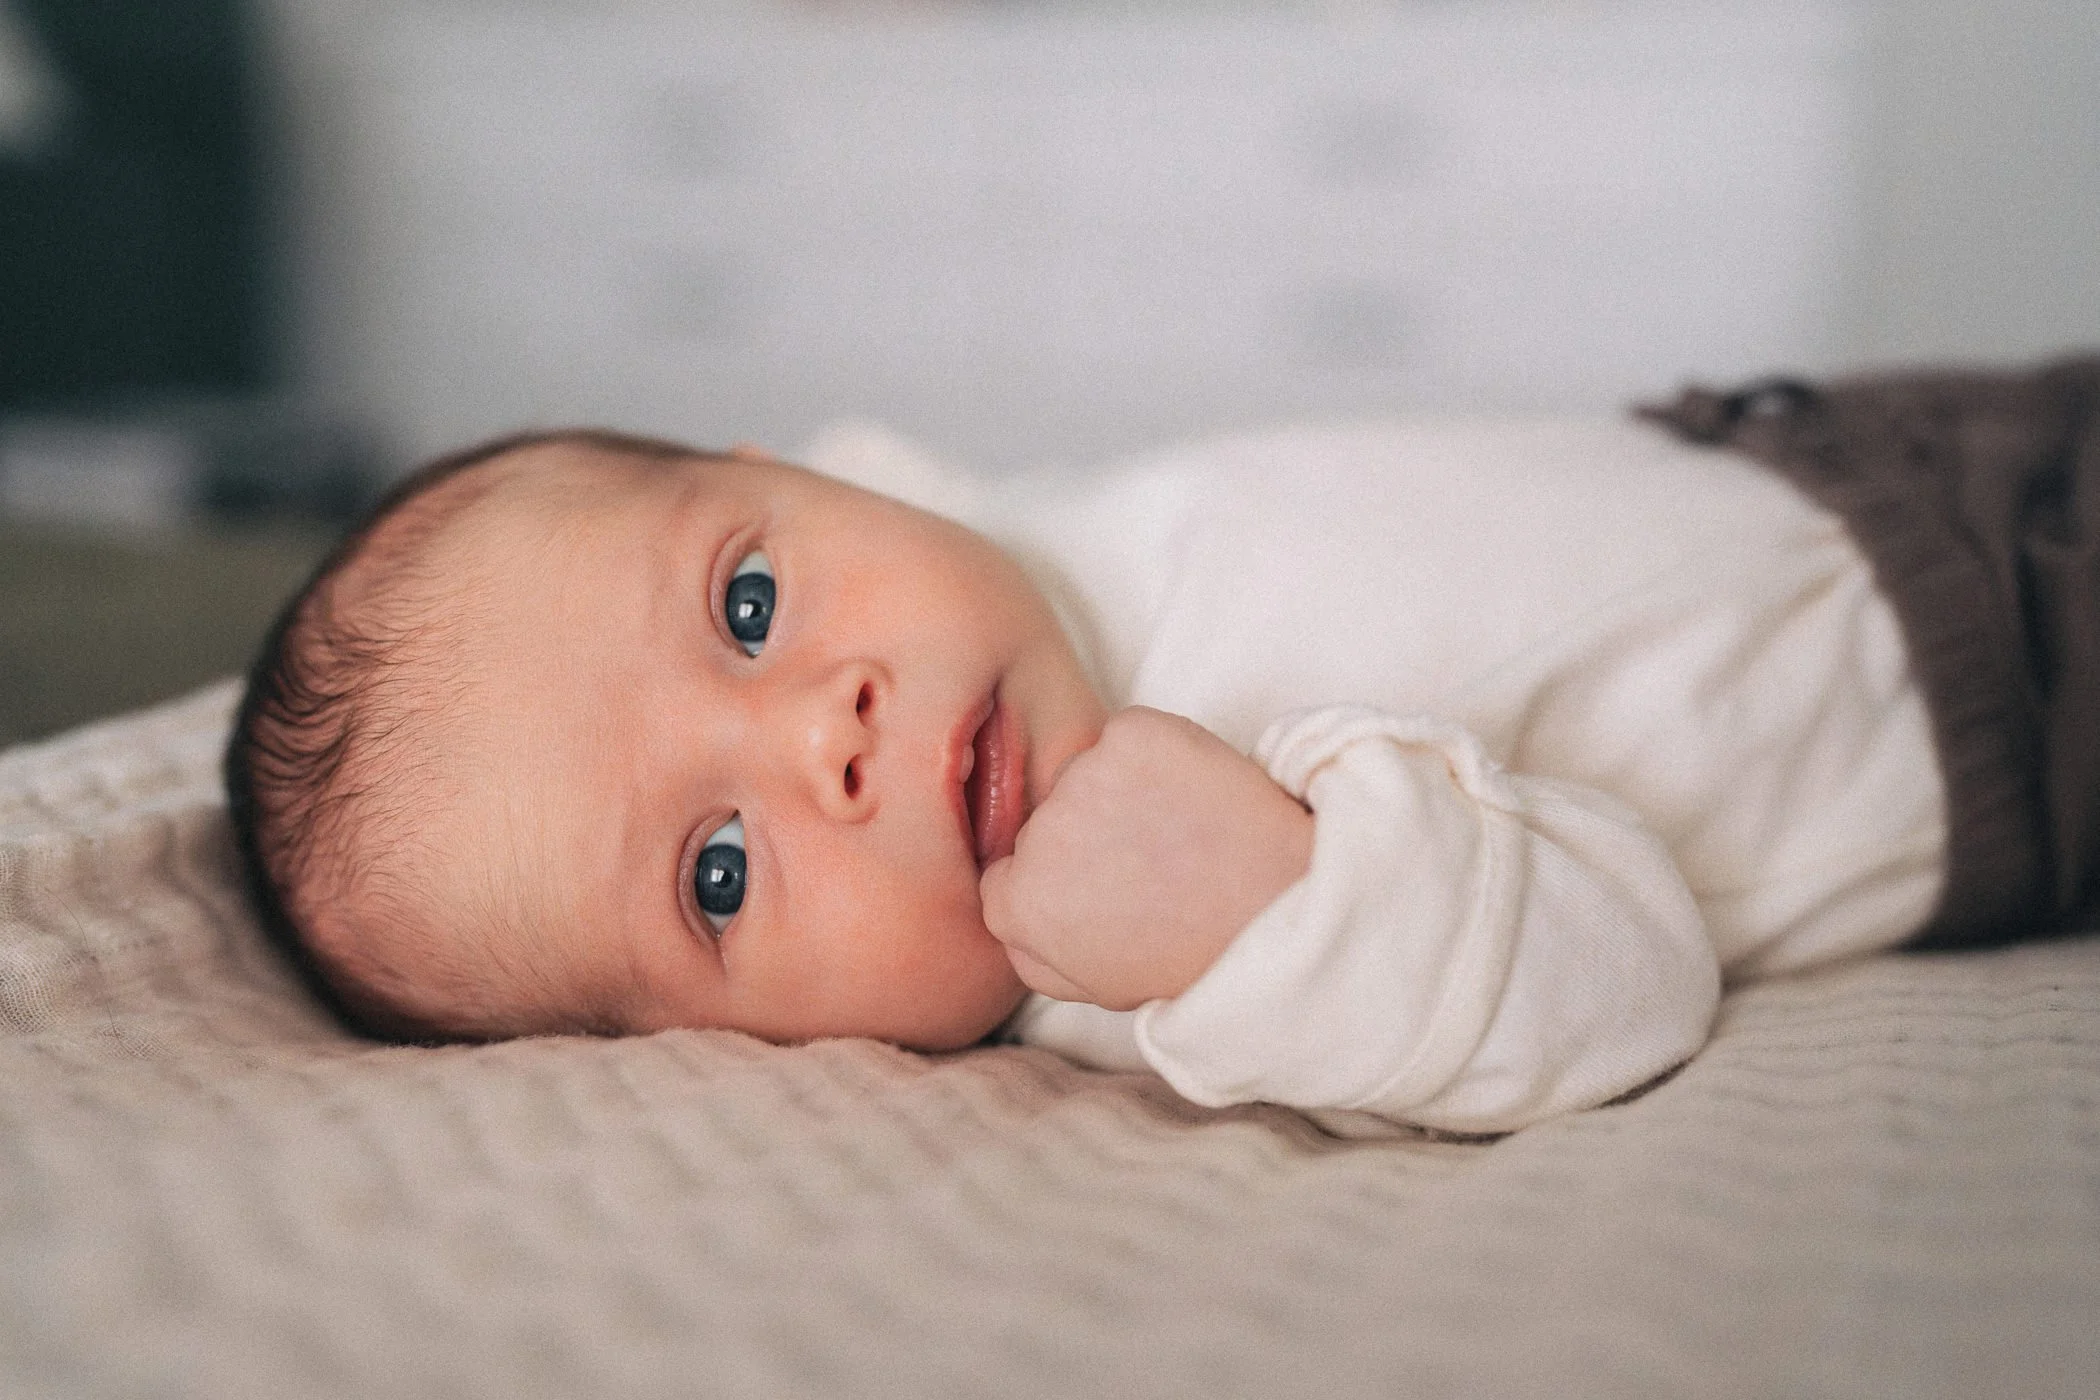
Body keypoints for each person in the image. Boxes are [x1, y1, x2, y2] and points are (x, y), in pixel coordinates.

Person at [225, 357, 2100, 1134]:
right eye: (720, 871)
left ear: (794, 473)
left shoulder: (978, 547)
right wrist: (1282, 909)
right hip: (2004, 694)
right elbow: (1621, 982)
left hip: (1839, 442)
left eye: (743, 610)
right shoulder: (1127, 952)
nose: (828, 733)